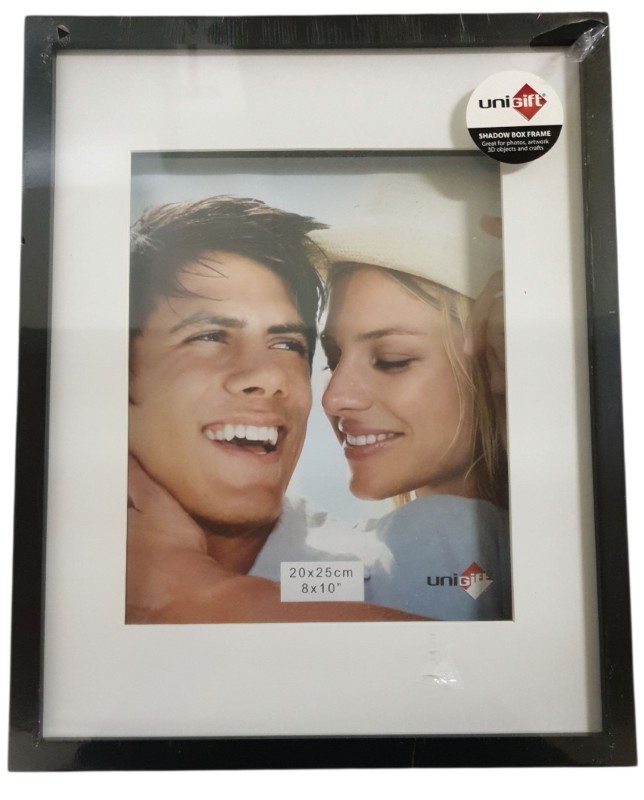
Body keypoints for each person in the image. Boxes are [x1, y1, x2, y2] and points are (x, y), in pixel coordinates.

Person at [126, 195, 421, 623]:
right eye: (209, 336)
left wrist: (190, 590)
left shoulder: (394, 577)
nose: (268, 377)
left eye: (286, 344)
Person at [306, 168, 511, 620]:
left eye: (392, 359)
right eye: (332, 358)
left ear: (497, 358)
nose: (335, 398)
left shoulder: (435, 538)